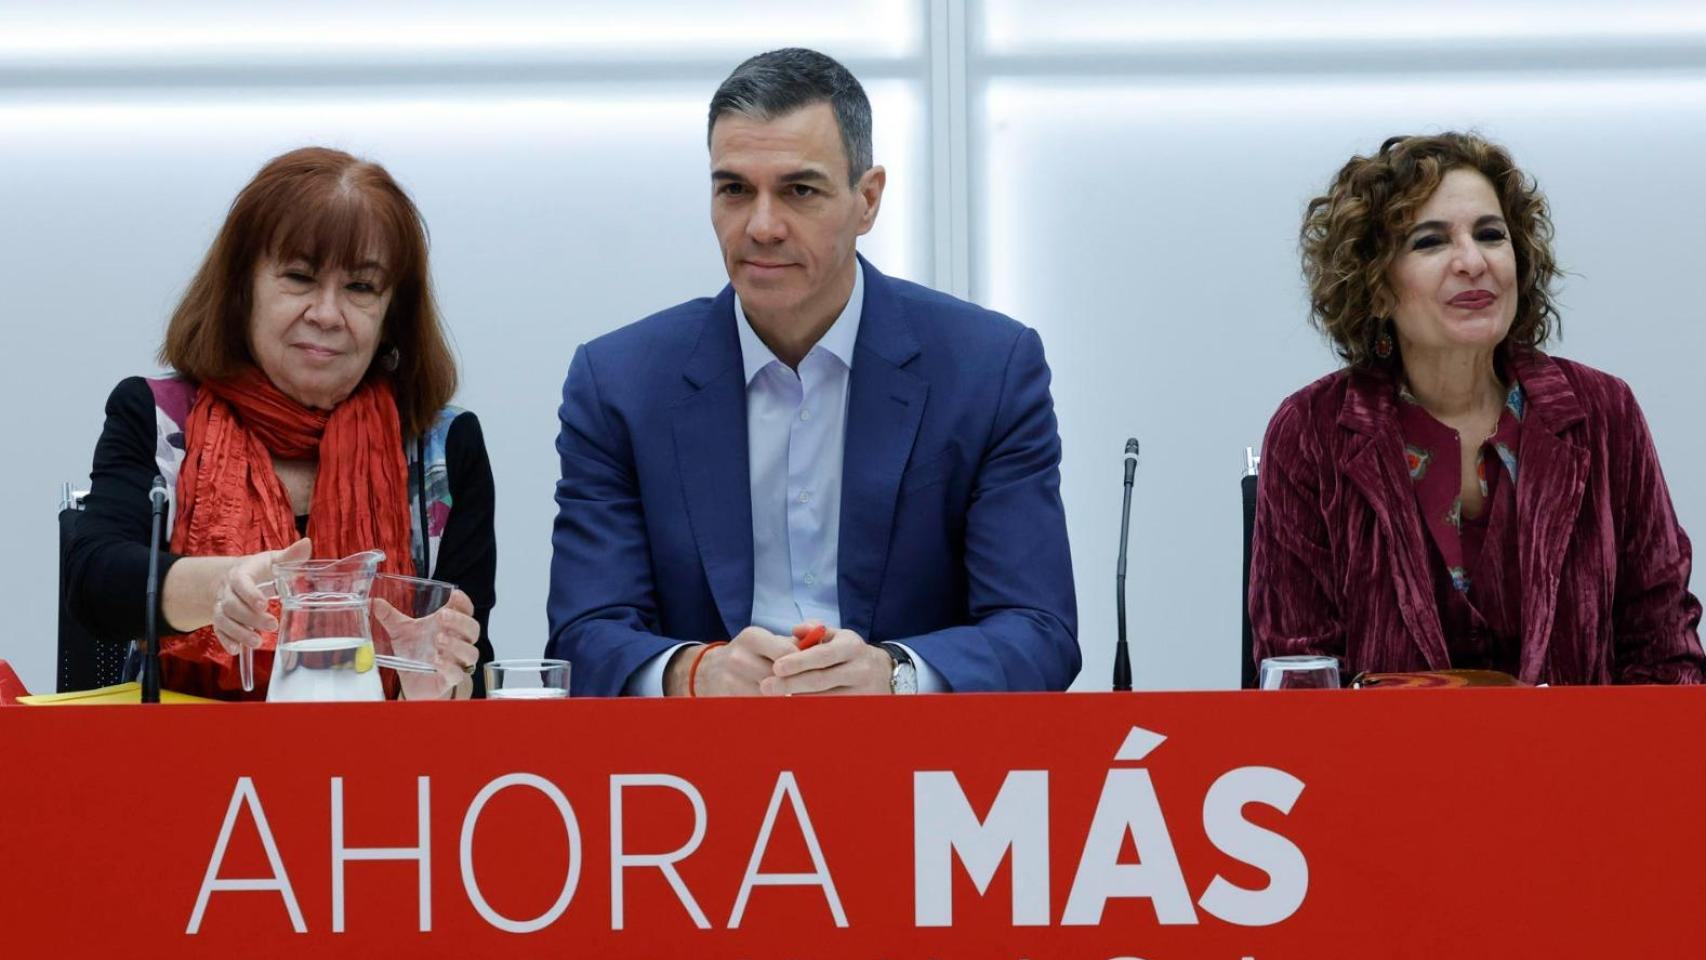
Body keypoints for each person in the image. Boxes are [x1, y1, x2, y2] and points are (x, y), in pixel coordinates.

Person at [548, 48, 1078, 697]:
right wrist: (695, 671)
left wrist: (896, 674)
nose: (762, 226)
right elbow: (584, 633)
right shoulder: (621, 384)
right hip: (693, 766)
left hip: (922, 767)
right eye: (735, 190)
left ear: (868, 199)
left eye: (800, 190)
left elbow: (1038, 630)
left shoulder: (987, 369)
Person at [1250, 132, 1703, 684]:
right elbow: (1300, 676)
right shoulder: (1312, 431)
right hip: (1384, 768)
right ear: (1376, 285)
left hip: (1580, 766)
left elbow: (1664, 651)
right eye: (1430, 242)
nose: (1473, 261)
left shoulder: (1604, 413)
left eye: (1491, 235)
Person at [67, 147, 497, 700]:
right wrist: (223, 584)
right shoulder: (154, 416)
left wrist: (437, 682)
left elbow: (473, 663)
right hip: (179, 764)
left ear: (393, 315)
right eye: (298, 277)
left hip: (381, 768)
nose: (326, 313)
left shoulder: (442, 444)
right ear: (242, 289)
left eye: (361, 288)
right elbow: (96, 584)